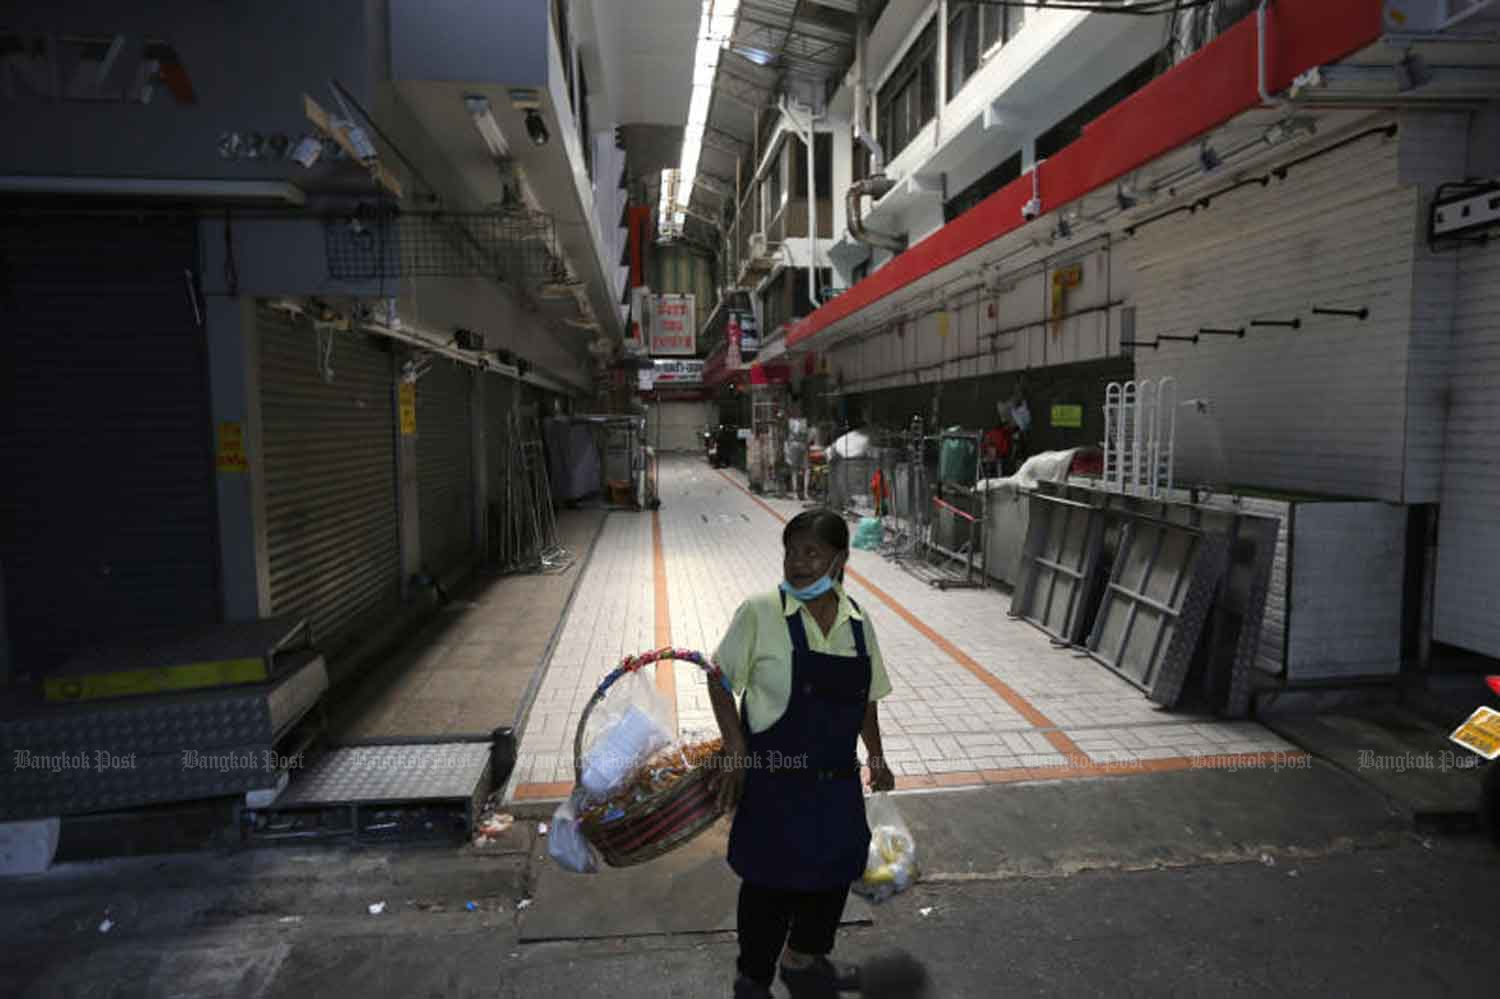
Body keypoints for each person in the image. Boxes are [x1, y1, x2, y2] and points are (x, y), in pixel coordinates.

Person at [708, 509, 896, 999]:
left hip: (835, 782)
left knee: (834, 877)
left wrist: (876, 757)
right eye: (791, 551)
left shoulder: (857, 622)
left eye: (812, 552)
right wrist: (735, 745)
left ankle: (802, 959)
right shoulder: (761, 612)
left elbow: (865, 699)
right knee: (768, 887)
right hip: (775, 780)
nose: (798, 562)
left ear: (839, 559)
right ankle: (753, 977)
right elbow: (720, 676)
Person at [785, 409, 810, 500]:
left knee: (807, 469)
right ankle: (795, 493)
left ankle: (805, 492)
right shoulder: (790, 421)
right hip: (794, 446)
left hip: (803, 446)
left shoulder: (804, 421)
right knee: (794, 470)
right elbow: (789, 436)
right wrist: (787, 452)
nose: (797, 411)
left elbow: (804, 434)